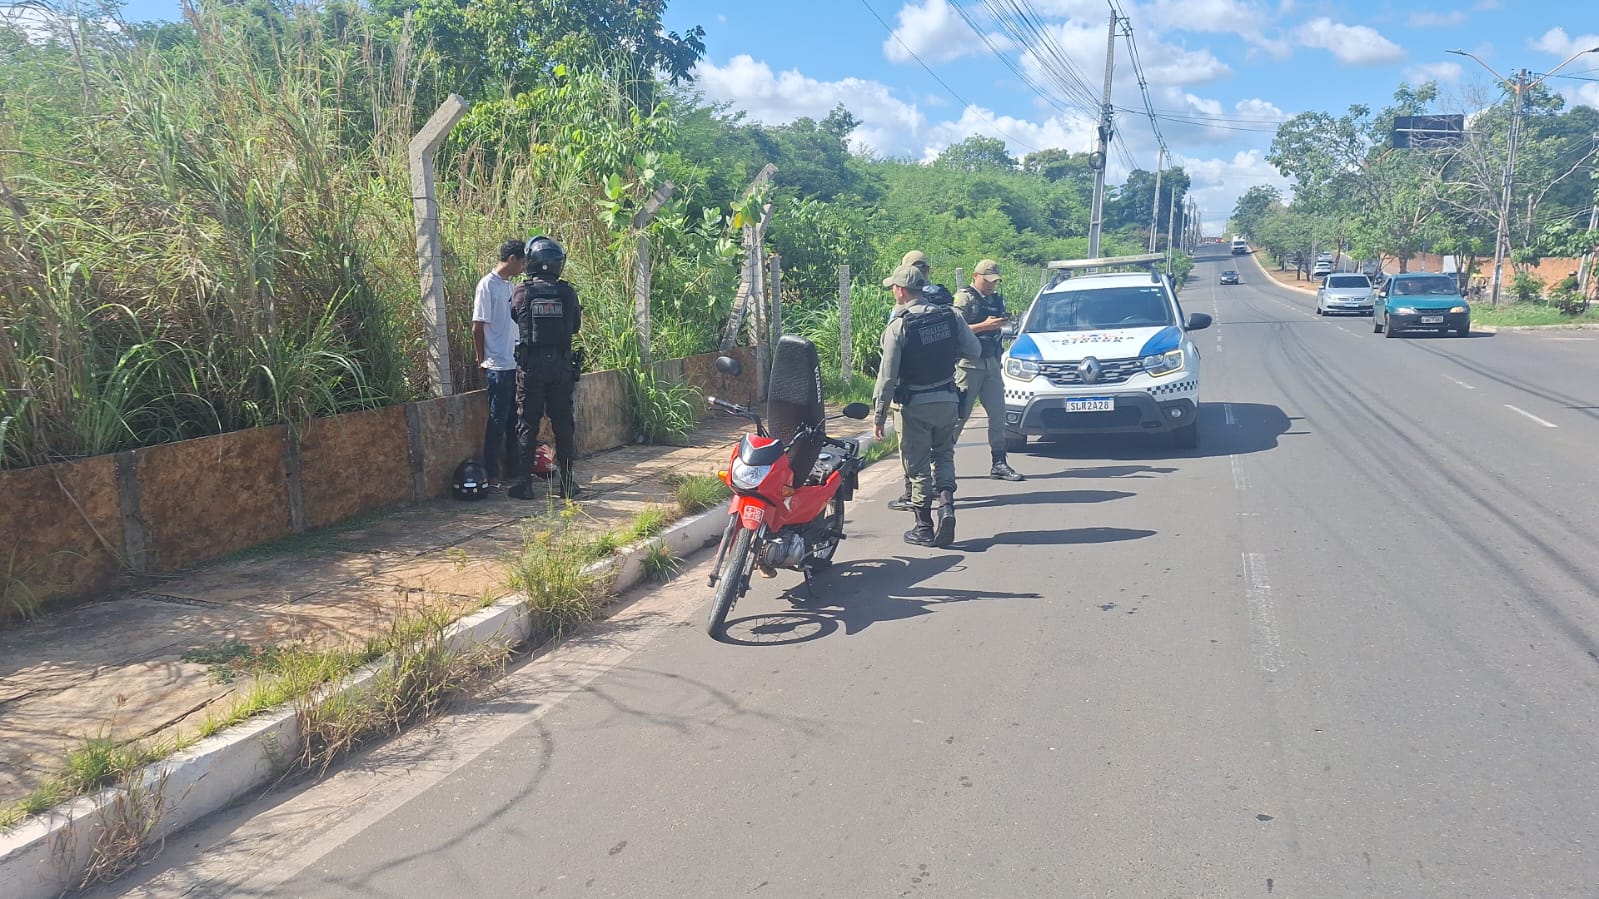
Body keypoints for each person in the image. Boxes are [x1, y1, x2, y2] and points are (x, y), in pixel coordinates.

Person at [873, 263, 981, 547]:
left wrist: (879, 416)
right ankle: (946, 507)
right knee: (944, 455)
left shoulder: (899, 326)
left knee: (918, 466)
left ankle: (923, 527)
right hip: (947, 399)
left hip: (915, 406)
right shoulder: (951, 316)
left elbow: (887, 377)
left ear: (900, 291)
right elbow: (974, 350)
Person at [508, 235, 583, 500]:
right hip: (561, 367)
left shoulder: (522, 291)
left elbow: (515, 316)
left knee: (527, 423)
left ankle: (524, 485)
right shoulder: (567, 292)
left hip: (531, 366)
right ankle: (567, 484)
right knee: (563, 424)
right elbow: (575, 326)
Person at [954, 259, 1025, 482]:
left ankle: (999, 462)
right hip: (968, 365)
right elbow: (954, 329)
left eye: (994, 282)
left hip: (992, 363)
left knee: (998, 415)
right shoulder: (964, 298)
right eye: (987, 281)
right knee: (959, 417)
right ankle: (941, 464)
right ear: (976, 276)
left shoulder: (995, 299)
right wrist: (984, 326)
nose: (991, 285)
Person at [472, 239, 526, 489]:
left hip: (514, 363)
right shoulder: (487, 285)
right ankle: (492, 472)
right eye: (522, 262)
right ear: (512, 259)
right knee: (497, 420)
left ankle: (513, 468)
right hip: (497, 365)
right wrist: (481, 359)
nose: (523, 268)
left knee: (515, 420)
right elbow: (477, 326)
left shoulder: (511, 286)